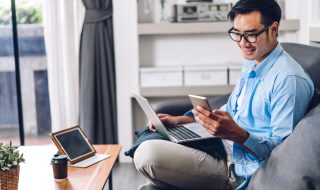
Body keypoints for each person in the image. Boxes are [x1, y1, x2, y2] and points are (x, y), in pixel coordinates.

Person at [134, 0, 314, 189]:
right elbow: (230, 111)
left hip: (238, 169)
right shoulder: (253, 62)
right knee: (148, 186)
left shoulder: (288, 80)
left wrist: (239, 135)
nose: (243, 43)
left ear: (274, 29)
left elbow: (283, 153)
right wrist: (180, 120)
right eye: (237, 33)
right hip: (220, 147)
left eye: (251, 35)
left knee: (147, 154)